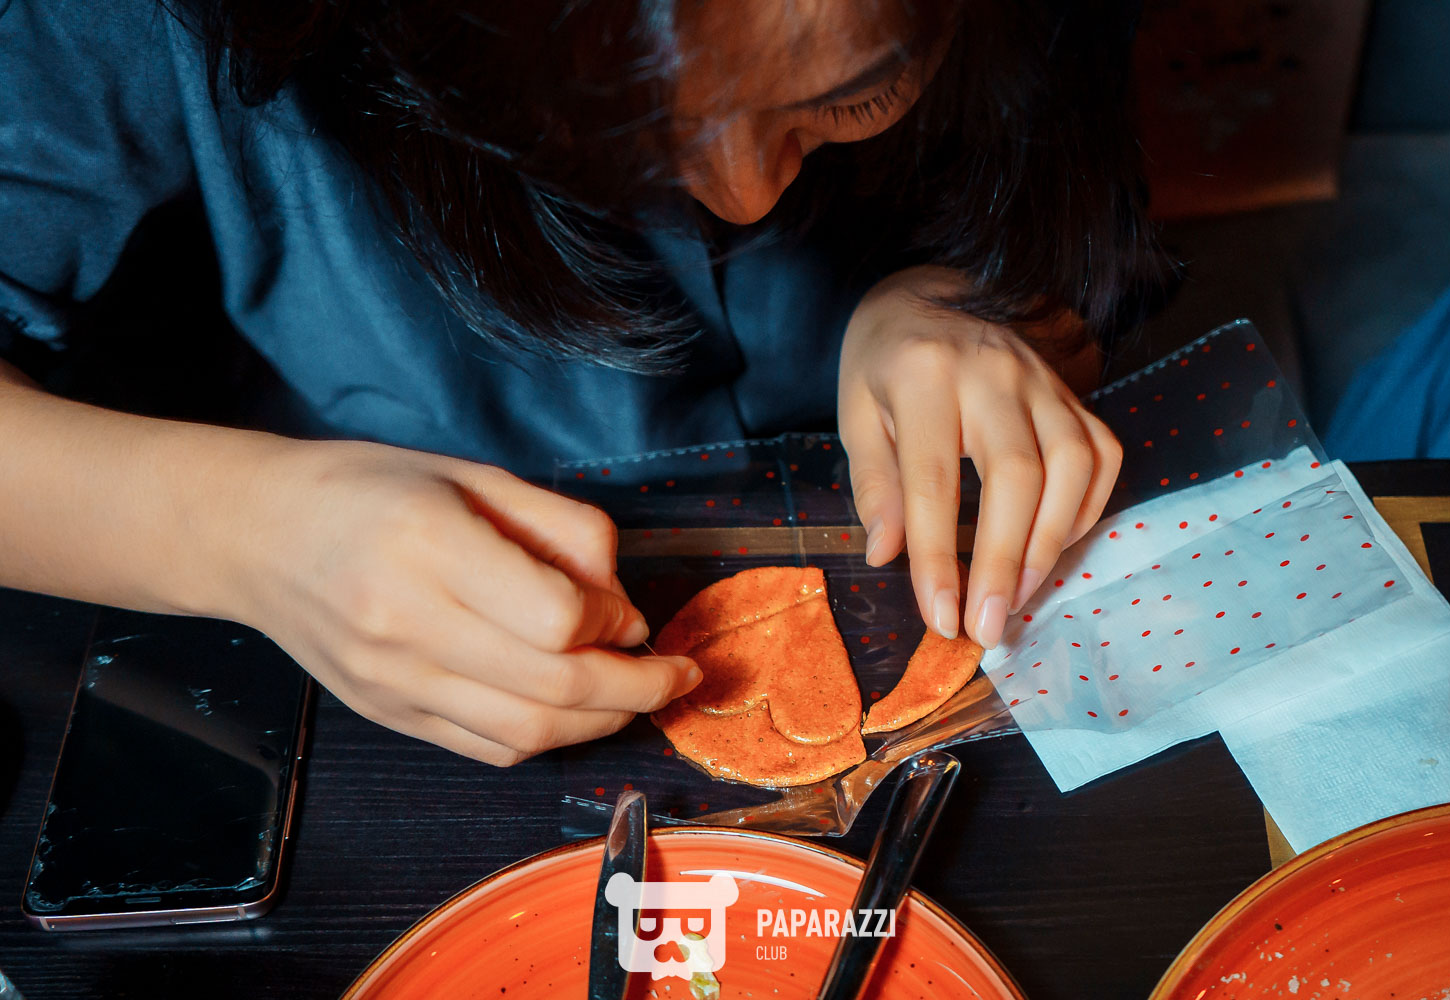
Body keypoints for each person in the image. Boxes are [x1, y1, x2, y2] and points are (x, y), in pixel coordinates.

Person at [0, 0, 1167, 766]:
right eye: (606, 144)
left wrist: (979, 304)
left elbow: (1076, 235)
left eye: (855, 96)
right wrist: (250, 537)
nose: (745, 195)